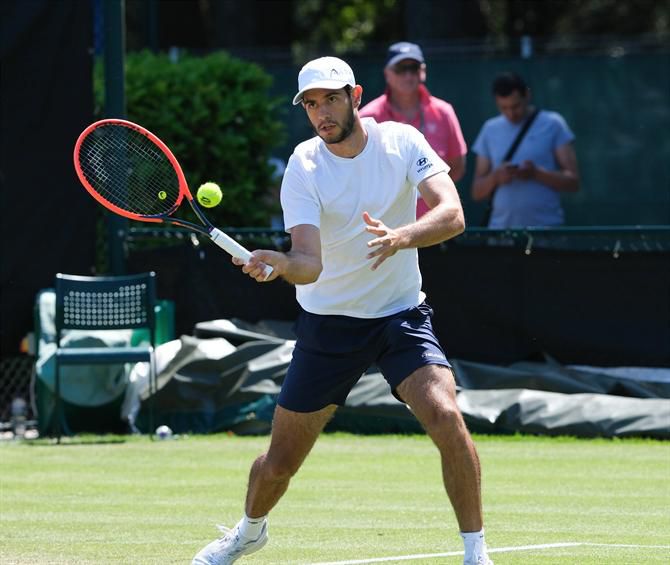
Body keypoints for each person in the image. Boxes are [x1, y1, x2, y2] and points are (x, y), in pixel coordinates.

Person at [192, 56, 493, 565]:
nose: (321, 113)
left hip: (400, 315)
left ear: (355, 96)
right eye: (310, 104)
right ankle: (249, 531)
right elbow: (309, 264)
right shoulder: (304, 164)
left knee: (446, 416)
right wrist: (279, 264)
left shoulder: (402, 142)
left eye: (330, 99)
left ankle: (476, 553)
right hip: (328, 327)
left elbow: (453, 213)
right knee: (280, 464)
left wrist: (403, 236)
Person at [360, 41, 467, 218]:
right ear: (387, 73)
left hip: (434, 226)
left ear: (422, 71)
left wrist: (431, 191)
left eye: (414, 68)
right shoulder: (368, 116)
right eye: (401, 69)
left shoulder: (443, 112)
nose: (408, 75)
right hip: (384, 225)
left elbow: (457, 166)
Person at [471, 71, 580, 228]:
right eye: (504, 108)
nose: (511, 113)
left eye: (515, 106)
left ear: (527, 95)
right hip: (501, 234)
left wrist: (537, 174)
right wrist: (496, 177)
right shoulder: (489, 129)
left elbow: (573, 182)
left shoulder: (554, 123)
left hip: (546, 232)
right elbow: (476, 192)